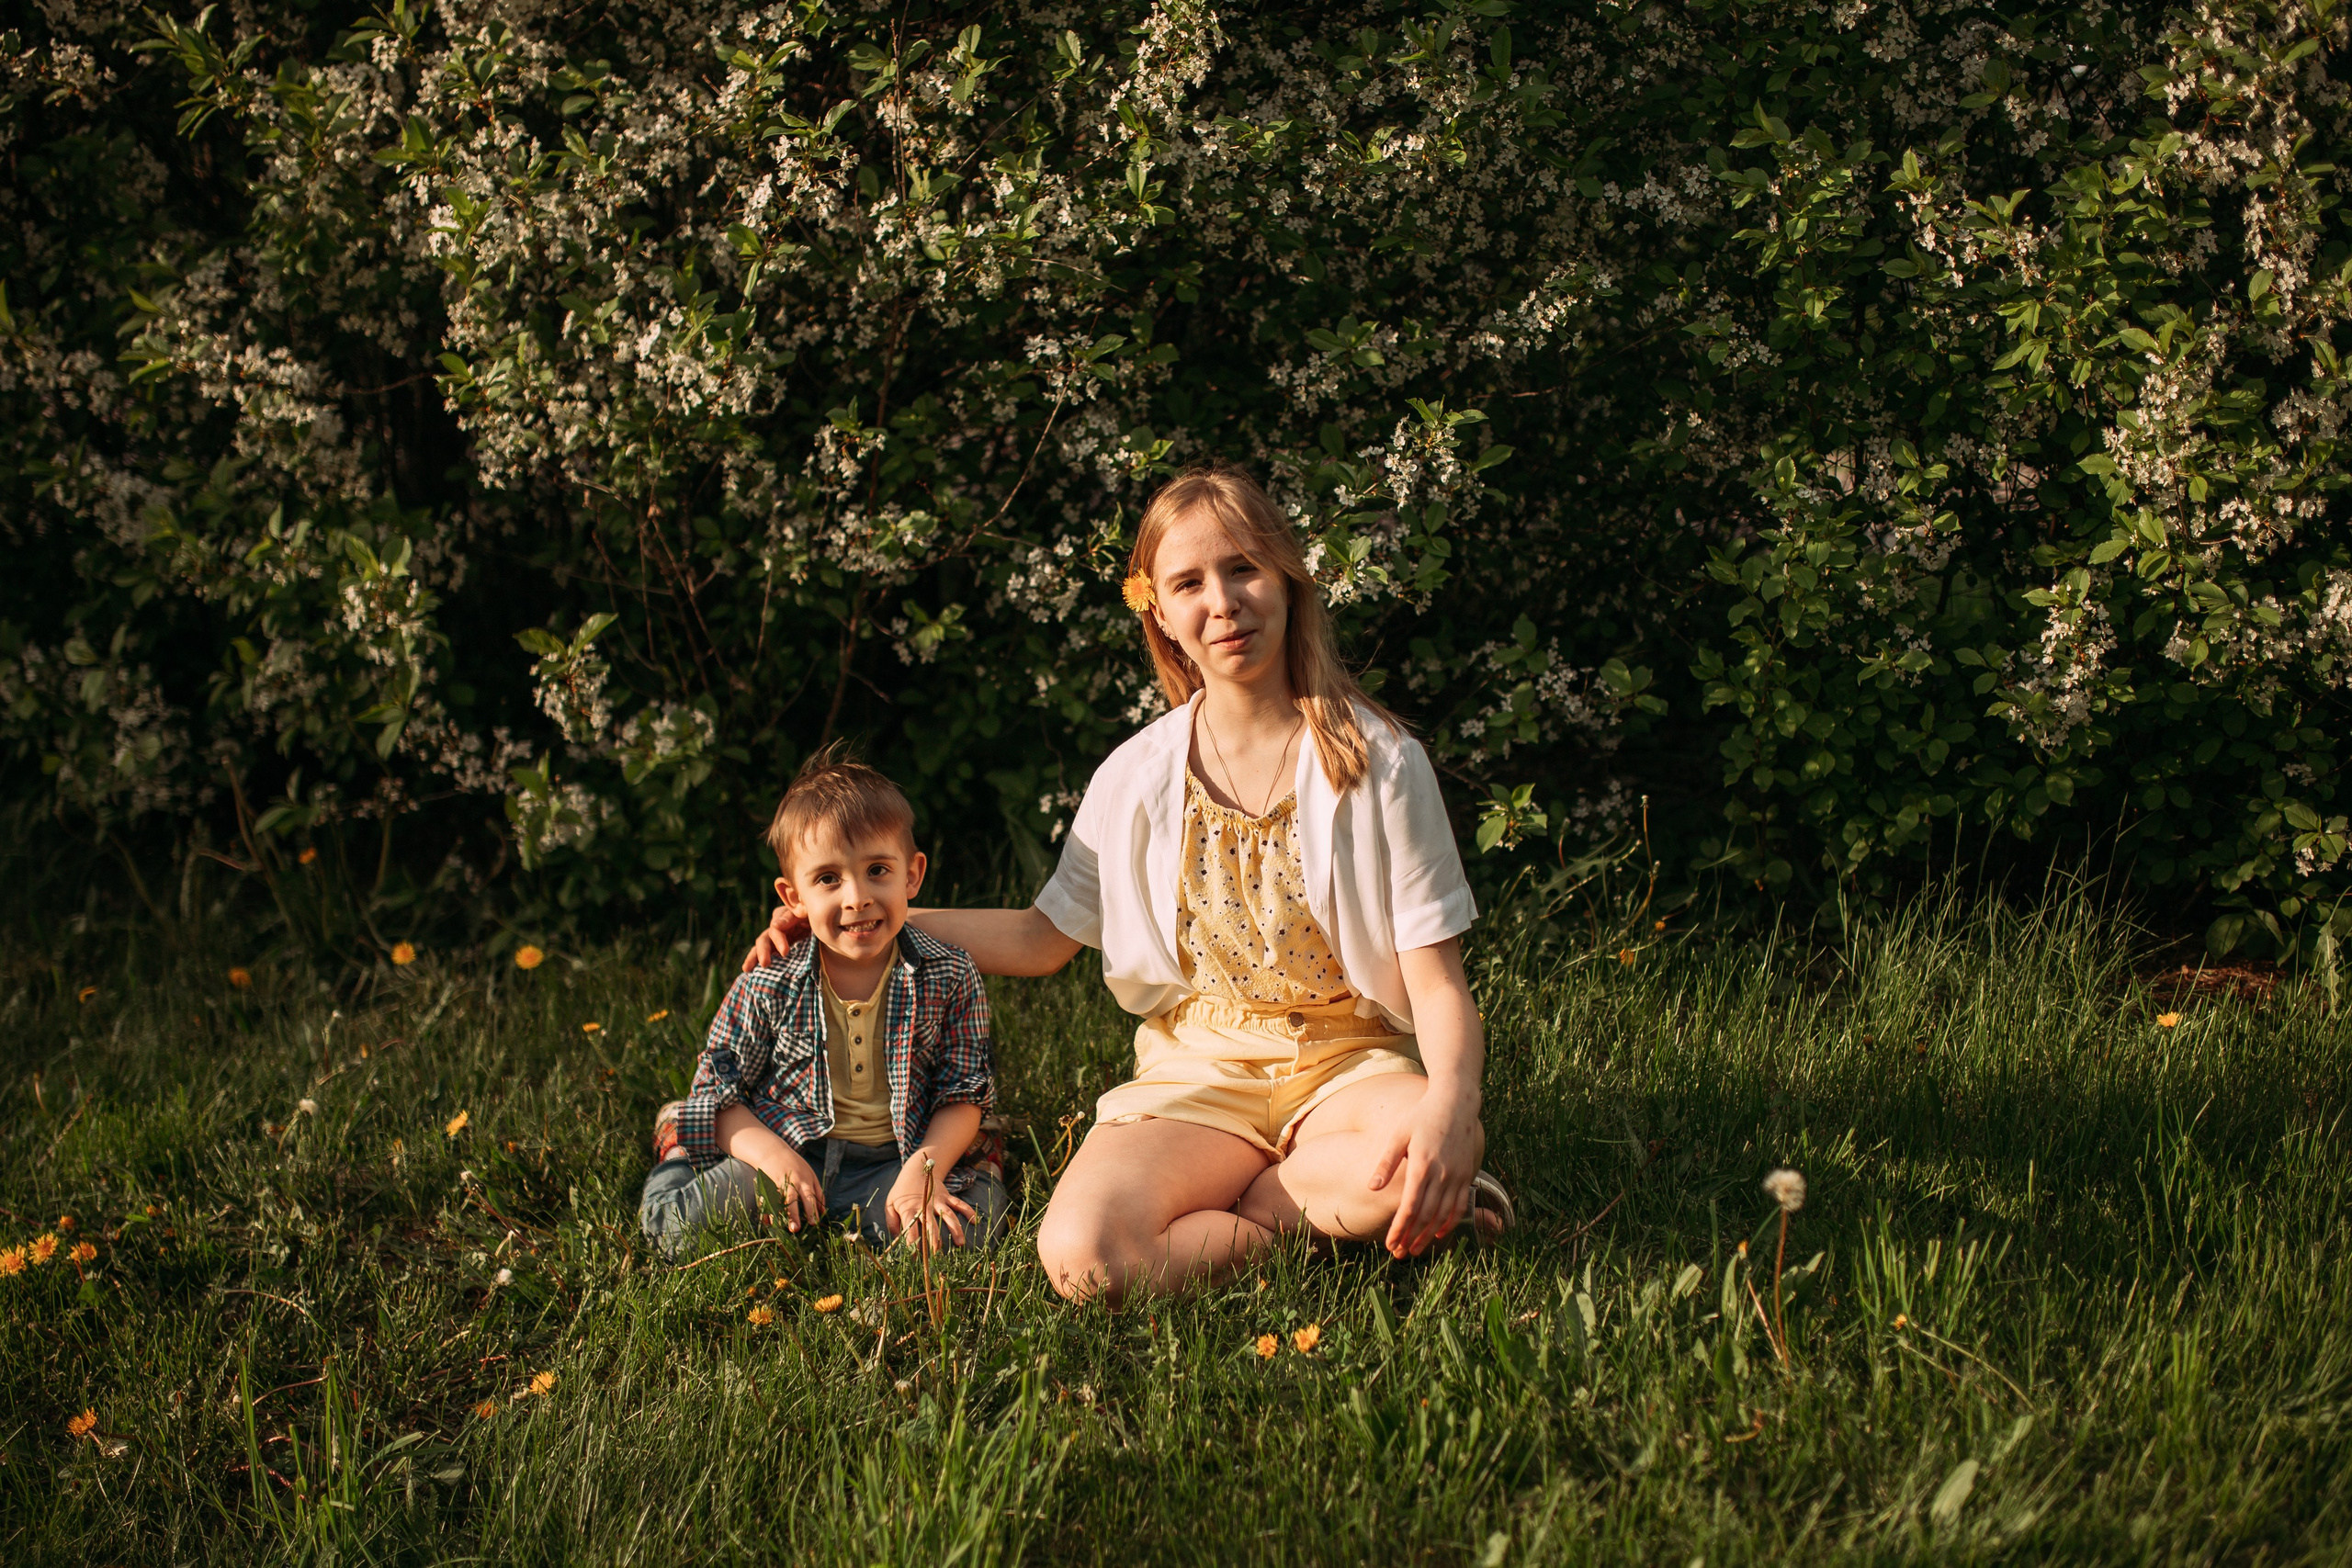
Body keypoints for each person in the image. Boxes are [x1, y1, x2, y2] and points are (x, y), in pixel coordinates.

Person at [744, 464, 1509, 1303]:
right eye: (1189, 583)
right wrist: (879, 918)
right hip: (1200, 1069)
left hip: (1353, 1064)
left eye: (1244, 568)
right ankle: (1290, 1218)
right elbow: (1043, 939)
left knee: (1425, 1152)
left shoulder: (1379, 762)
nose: (1223, 601)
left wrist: (1450, 1107)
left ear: (1290, 579)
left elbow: (1437, 985)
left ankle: (1288, 1200)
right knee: (1082, 1254)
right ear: (1163, 615)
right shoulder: (1136, 776)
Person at [641, 751, 1005, 1260]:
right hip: (788, 1148)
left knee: (962, 1241)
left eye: (877, 869)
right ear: (793, 897)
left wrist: (920, 1176)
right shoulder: (769, 980)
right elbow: (717, 1094)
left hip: (897, 1158)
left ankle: (976, 1159)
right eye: (828, 879)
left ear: (912, 875)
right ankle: (677, 1144)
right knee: (678, 1233)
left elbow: (962, 1092)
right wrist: (775, 1159)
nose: (856, 896)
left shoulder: (949, 975)